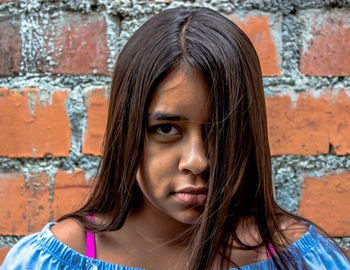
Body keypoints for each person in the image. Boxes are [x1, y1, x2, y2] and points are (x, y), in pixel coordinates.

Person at [1, 6, 350, 270]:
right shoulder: (56, 259)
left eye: (220, 131)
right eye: (166, 129)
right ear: (129, 130)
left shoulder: (303, 259)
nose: (197, 161)